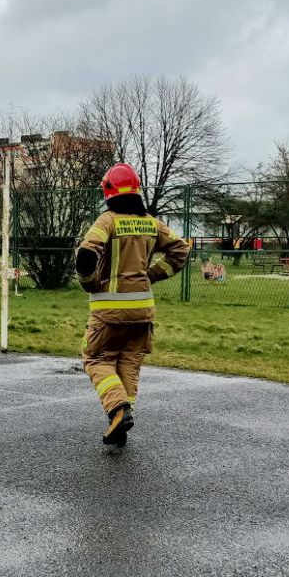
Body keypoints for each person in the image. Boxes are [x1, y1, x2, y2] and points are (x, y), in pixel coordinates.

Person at [74, 164, 191, 447]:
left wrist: (89, 282)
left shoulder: (108, 221)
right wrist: (150, 275)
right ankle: (120, 423)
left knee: (96, 359)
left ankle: (118, 409)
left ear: (108, 191)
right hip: (143, 312)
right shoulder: (151, 223)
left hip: (109, 310)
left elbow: (86, 255)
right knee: (128, 362)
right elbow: (181, 251)